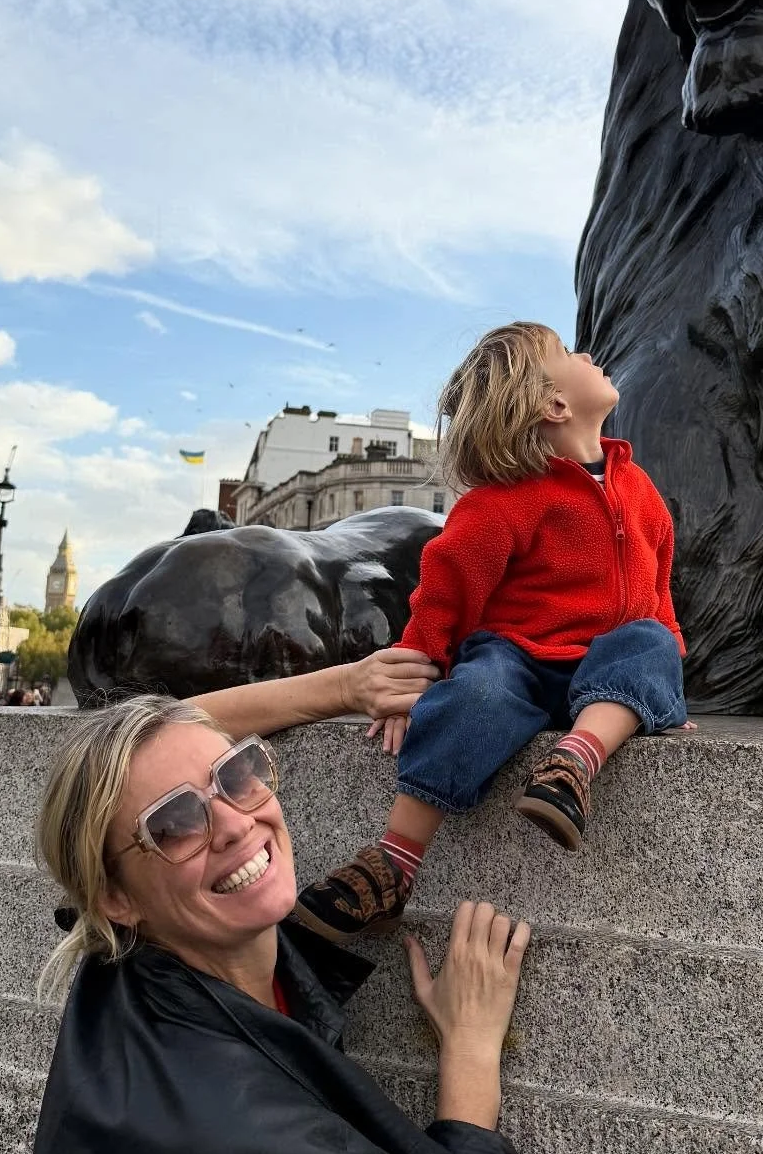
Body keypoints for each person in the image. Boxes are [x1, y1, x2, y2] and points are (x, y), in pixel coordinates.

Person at [21, 658, 530, 1154]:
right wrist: (472, 1062)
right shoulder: (251, 1144)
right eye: (174, 825)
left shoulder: (124, 961)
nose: (233, 823)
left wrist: (347, 687)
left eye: (236, 774)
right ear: (116, 898)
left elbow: (151, 746)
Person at [294, 321, 686, 945]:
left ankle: (574, 763)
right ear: (553, 405)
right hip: (520, 659)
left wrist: (657, 694)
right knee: (474, 693)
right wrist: (415, 665)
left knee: (649, 642)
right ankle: (393, 864)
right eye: (565, 352)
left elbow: (660, 597)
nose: (586, 353)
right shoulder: (503, 498)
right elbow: (446, 587)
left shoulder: (640, 490)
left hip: (607, 664)